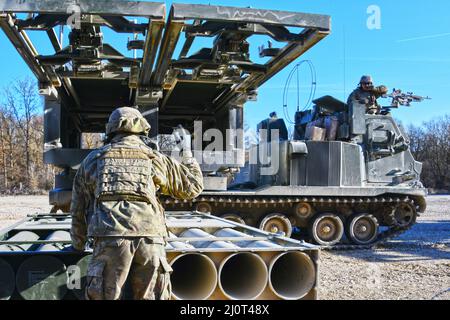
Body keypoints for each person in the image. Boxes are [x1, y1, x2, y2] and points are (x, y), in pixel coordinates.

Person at [70, 107, 204, 300]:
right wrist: (187, 153)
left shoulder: (93, 160)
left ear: (111, 130)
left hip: (110, 238)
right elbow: (193, 187)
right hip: (150, 241)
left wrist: (78, 244)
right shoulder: (154, 158)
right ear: (142, 129)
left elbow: (78, 208)